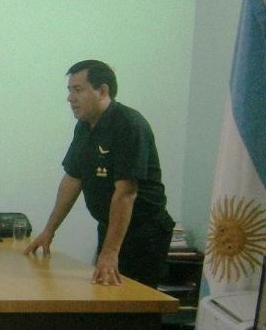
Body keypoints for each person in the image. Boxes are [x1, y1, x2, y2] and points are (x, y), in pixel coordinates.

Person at [24, 60, 174, 288]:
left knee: (131, 302)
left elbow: (126, 193)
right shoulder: (84, 126)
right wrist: (49, 230)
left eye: (78, 90)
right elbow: (73, 179)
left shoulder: (129, 124)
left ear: (102, 91)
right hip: (110, 226)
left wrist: (110, 251)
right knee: (105, 294)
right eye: (69, 90)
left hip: (144, 233)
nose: (70, 98)